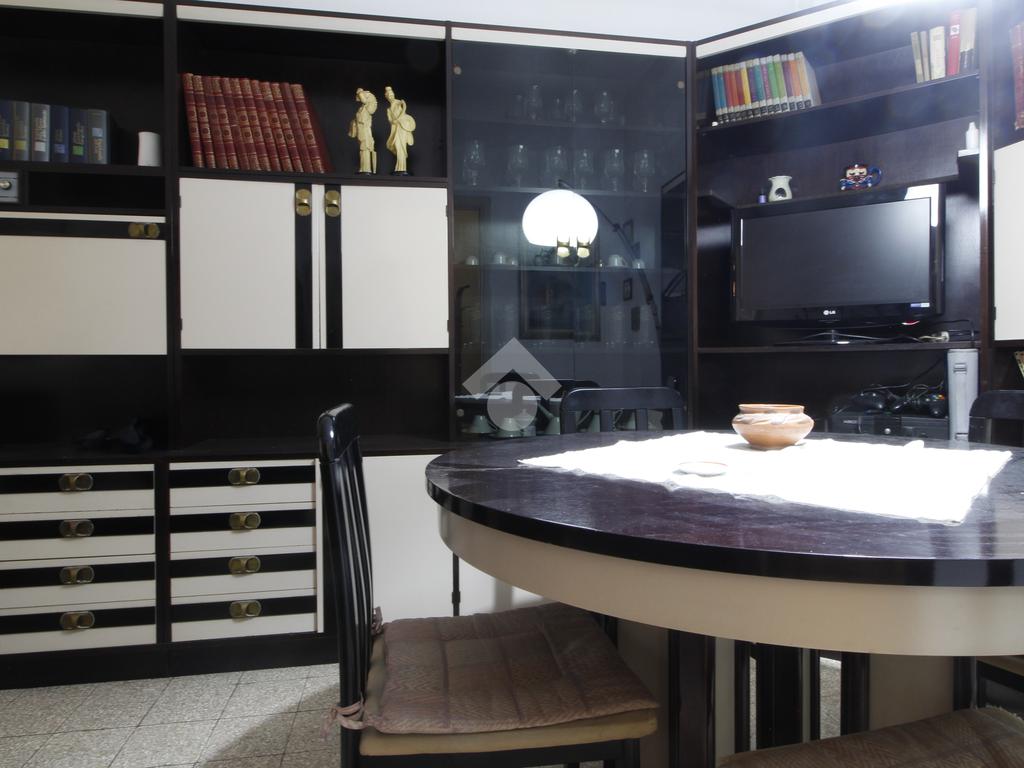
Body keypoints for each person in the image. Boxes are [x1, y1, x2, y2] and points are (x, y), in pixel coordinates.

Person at [384, 85, 416, 175]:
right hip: (396, 129)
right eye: (388, 96)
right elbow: (390, 120)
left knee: (401, 147)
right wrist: (393, 121)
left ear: (393, 95)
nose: (390, 97)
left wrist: (399, 118)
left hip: (402, 128)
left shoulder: (398, 102)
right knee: (396, 146)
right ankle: (399, 167)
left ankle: (402, 168)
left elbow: (404, 109)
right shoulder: (388, 109)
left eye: (391, 95)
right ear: (386, 97)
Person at [348, 88, 377, 174]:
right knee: (362, 149)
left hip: (365, 130)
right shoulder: (362, 108)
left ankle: (366, 168)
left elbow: (362, 119)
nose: (361, 99)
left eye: (362, 97)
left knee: (365, 148)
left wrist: (360, 92)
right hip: (361, 130)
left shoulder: (368, 108)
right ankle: (363, 168)